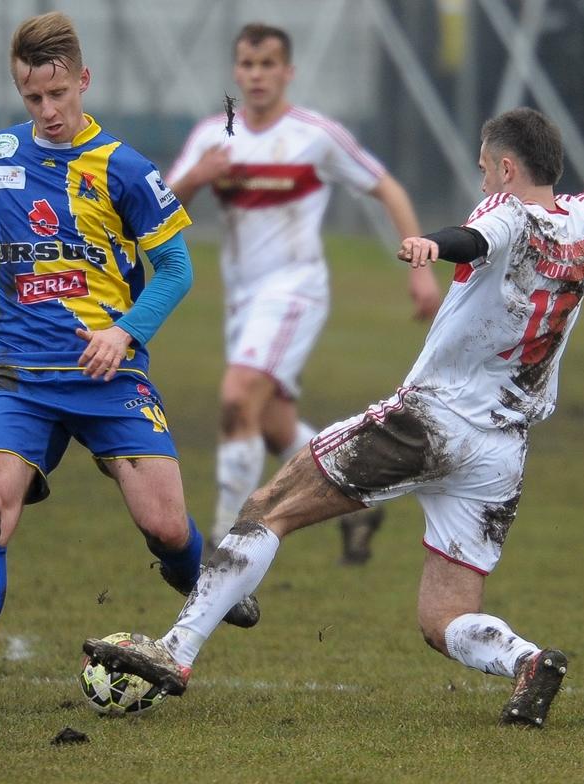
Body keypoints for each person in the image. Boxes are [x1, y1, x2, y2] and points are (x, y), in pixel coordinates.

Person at [85, 35, 584, 729]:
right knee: (444, 617)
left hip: (431, 422)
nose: (481, 181)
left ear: (505, 168)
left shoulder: (507, 213)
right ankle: (527, 662)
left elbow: (478, 239)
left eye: (482, 169)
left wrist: (430, 245)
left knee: (270, 506)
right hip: (503, 450)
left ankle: (175, 649)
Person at [0, 11, 258, 714]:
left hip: (108, 373)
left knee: (164, 524)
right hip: (19, 373)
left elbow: (175, 270)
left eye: (59, 95)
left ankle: (206, 580)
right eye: (33, 98)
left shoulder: (125, 168)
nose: (48, 111)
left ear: (83, 82)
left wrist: (124, 333)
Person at [165, 23, 442, 564]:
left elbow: (386, 185)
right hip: (243, 299)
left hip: (296, 291)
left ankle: (225, 543)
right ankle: (360, 498)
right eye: (248, 65)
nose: (258, 75)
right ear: (235, 72)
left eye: (269, 64)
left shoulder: (315, 134)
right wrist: (197, 176)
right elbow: (160, 209)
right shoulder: (210, 137)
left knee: (236, 397)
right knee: (271, 427)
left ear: (287, 72)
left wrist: (419, 268)